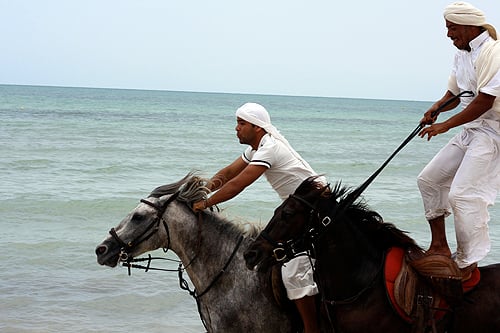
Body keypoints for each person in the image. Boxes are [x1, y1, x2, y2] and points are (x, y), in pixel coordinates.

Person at [193, 102, 323, 333]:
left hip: (315, 207)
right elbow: (228, 173)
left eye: (242, 123)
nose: (236, 128)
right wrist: (202, 191)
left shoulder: (269, 148)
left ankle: (311, 328)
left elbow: (237, 185)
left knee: (294, 264)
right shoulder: (256, 149)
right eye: (237, 123)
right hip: (296, 209)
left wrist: (205, 204)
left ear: (258, 128)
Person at [416, 2, 500, 280]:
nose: (449, 34)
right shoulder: (462, 53)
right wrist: (436, 108)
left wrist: (444, 126)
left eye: (452, 28)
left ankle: (467, 261)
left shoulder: (493, 52)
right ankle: (439, 246)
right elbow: (456, 92)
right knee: (429, 180)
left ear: (468, 25)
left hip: (493, 133)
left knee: (463, 195)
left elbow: (485, 101)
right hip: (472, 129)